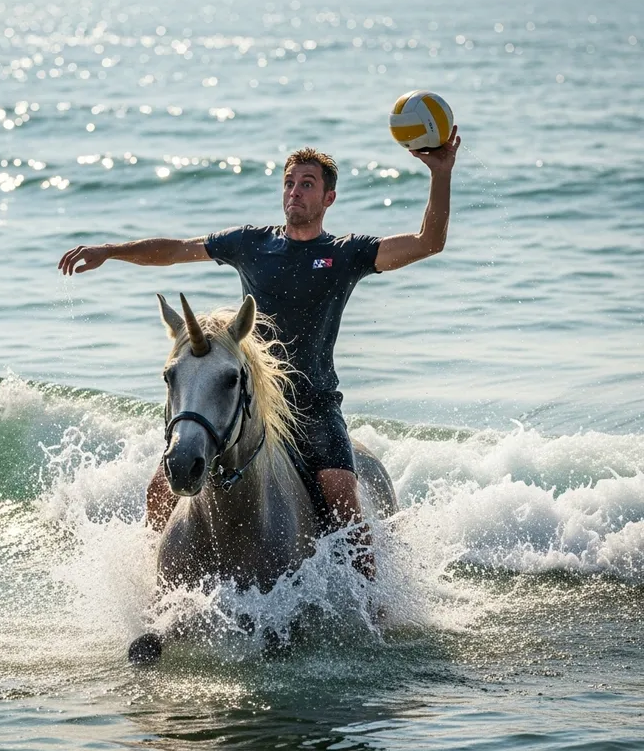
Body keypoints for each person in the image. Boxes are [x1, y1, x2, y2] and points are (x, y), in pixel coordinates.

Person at [58, 127, 460, 577]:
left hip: (313, 406)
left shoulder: (345, 253)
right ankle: (150, 581)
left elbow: (429, 242)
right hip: (247, 404)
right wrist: (109, 252)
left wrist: (440, 174)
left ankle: (373, 603)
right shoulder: (253, 243)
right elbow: (175, 250)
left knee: (344, 499)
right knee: (160, 488)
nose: (295, 192)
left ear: (328, 197)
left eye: (307, 184)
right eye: (289, 182)